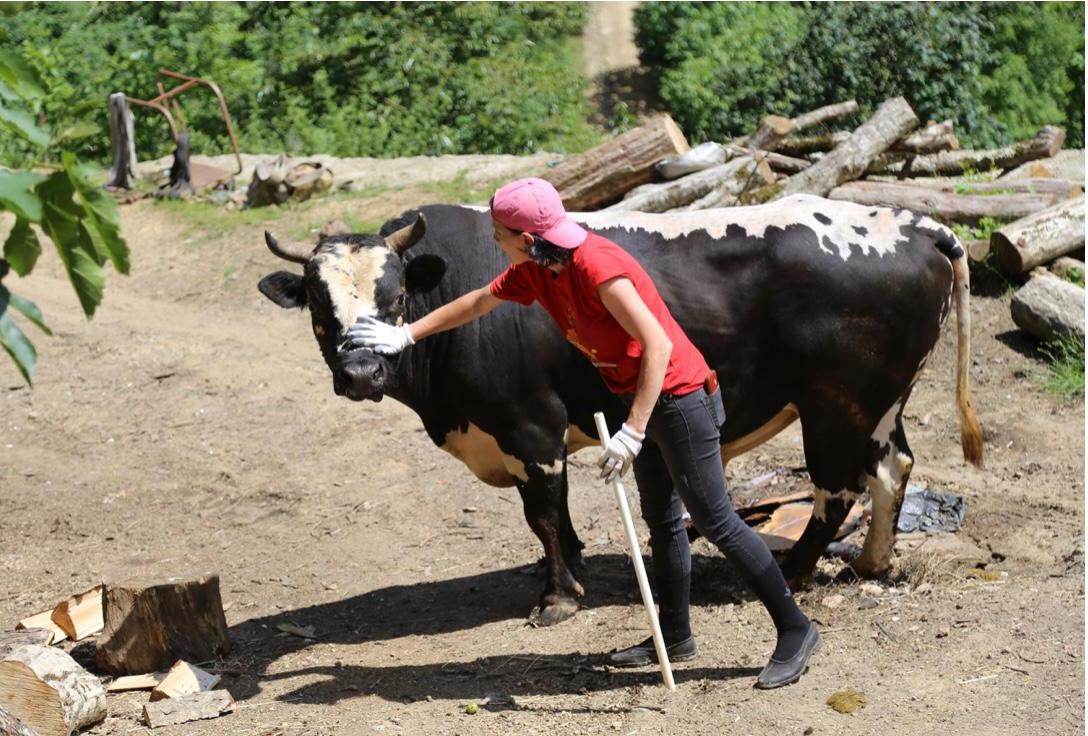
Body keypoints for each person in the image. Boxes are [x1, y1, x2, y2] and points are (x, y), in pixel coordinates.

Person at [347, 178, 820, 689]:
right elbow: (480, 301)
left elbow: (657, 346)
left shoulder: (597, 266)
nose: (494, 241)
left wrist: (634, 430)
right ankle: (675, 635)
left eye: (499, 233)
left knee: (717, 521)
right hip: (639, 399)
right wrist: (404, 334)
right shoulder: (539, 269)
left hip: (681, 400)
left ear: (528, 238)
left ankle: (796, 629)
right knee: (661, 523)